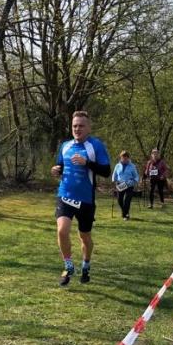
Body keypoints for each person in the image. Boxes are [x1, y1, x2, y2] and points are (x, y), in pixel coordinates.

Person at [51, 111, 111, 286]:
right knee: (62, 231)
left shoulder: (96, 146)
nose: (77, 129)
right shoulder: (65, 146)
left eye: (81, 126)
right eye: (74, 126)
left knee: (85, 237)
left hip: (85, 199)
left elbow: (106, 171)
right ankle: (68, 265)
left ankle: (86, 264)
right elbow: (61, 166)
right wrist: (56, 170)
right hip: (65, 195)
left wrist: (87, 163)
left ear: (89, 128)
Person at [112, 151, 140, 221]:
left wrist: (134, 181)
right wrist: (114, 181)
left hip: (129, 185)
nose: (124, 159)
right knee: (119, 200)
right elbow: (114, 174)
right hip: (120, 184)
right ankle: (124, 211)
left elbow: (136, 176)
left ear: (128, 158)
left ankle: (125, 215)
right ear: (121, 158)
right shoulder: (117, 165)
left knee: (127, 200)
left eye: (126, 158)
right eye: (123, 158)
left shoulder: (132, 166)